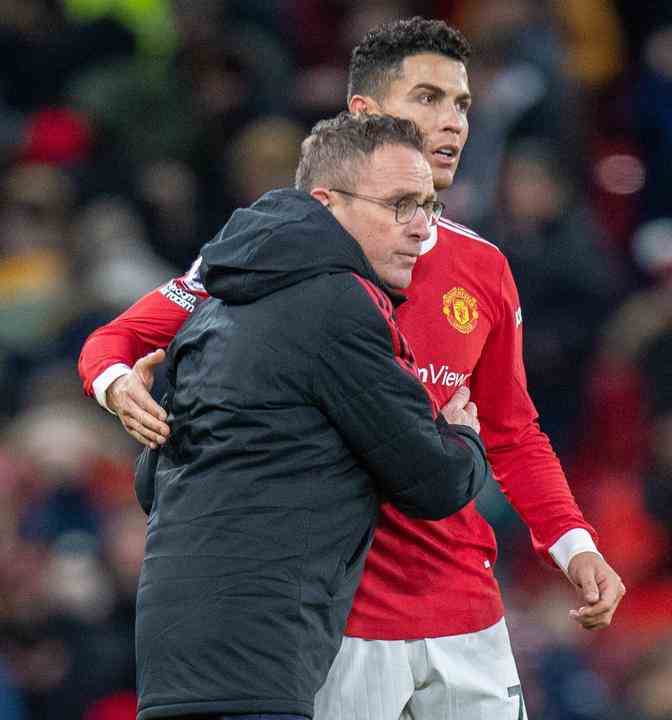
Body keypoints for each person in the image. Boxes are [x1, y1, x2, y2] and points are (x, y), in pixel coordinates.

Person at [78, 17, 624, 718]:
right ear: (364, 116)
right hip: (342, 622)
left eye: (461, 102)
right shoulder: (277, 260)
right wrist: (117, 384)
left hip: (466, 604)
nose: (452, 122)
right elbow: (115, 340)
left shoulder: (483, 267)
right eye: (427, 98)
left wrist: (575, 546)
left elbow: (514, 432)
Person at [133, 112, 491, 720]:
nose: (422, 230)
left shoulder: (219, 301)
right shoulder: (335, 302)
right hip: (260, 659)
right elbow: (435, 480)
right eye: (400, 205)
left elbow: (153, 483)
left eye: (428, 206)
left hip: (172, 655)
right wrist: (464, 436)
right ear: (327, 202)